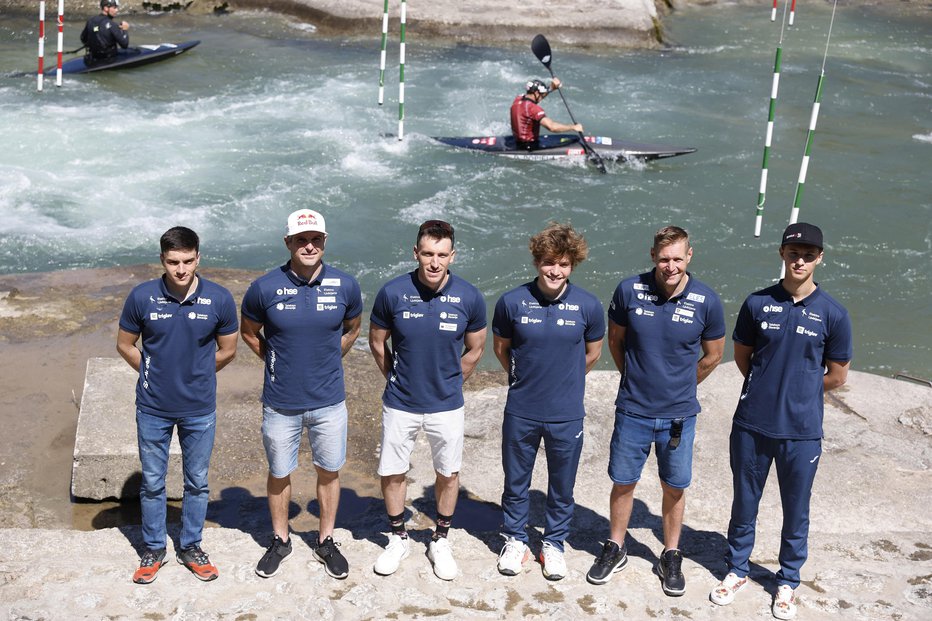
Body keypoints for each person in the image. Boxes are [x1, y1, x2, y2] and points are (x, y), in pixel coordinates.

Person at [709, 222, 852, 620]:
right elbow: (743, 356)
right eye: (793, 253)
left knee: (796, 508)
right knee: (744, 503)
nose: (800, 260)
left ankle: (788, 579)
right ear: (782, 254)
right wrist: (767, 387)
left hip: (802, 433)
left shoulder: (833, 314)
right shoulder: (758, 303)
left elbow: (837, 375)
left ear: (819, 257)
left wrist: (801, 392)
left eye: (808, 254)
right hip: (752, 425)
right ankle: (737, 568)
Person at [586, 225, 725, 596]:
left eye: (678, 258)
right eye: (664, 259)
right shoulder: (629, 290)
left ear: (689, 257)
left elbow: (714, 355)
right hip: (633, 408)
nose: (670, 266)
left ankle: (671, 552)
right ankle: (615, 547)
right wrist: (634, 377)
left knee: (675, 485)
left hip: (679, 414)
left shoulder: (706, 300)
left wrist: (683, 384)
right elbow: (615, 340)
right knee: (623, 480)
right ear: (653, 256)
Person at [240, 209, 363, 580]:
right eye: (300, 240)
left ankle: (325, 539)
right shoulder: (264, 287)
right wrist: (276, 361)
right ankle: (280, 539)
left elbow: (353, 327)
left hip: (329, 401)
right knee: (279, 472)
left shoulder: (345, 285)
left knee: (329, 471)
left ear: (324, 242)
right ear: (288, 243)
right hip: (281, 403)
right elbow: (249, 331)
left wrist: (328, 358)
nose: (308, 246)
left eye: (315, 239)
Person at [116, 226, 238, 584]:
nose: (181, 269)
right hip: (152, 406)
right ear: (162, 260)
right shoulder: (142, 297)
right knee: (153, 481)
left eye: (187, 261)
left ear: (198, 258)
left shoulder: (218, 298)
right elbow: (125, 344)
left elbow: (228, 349)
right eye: (173, 262)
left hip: (199, 408)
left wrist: (196, 372)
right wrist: (153, 370)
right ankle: (153, 548)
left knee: (197, 481)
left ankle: (191, 546)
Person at [368, 219, 487, 581]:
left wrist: (451, 381)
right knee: (392, 471)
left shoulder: (469, 296)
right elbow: (377, 342)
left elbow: (476, 347)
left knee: (447, 473)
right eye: (427, 254)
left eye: (442, 255)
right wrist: (396, 378)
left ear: (452, 255)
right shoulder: (393, 292)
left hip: (447, 404)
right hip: (400, 402)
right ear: (415, 253)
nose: (434, 263)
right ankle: (398, 537)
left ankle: (441, 538)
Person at [492, 223, 605, 580]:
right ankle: (515, 539)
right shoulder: (511, 301)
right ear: (537, 261)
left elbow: (593, 353)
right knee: (515, 481)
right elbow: (501, 348)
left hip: (566, 412)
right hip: (521, 408)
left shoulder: (588, 305)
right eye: (548, 262)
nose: (555, 270)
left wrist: (563, 380)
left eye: (563, 263)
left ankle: (554, 544)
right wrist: (526, 376)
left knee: (562, 485)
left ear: (574, 264)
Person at [510, 77, 583, 150]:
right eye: (541, 94)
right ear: (536, 93)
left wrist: (551, 88)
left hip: (518, 142)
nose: (542, 97)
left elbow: (534, 99)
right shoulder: (534, 109)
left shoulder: (518, 99)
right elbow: (552, 127)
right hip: (530, 146)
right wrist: (573, 127)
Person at [80, 0, 129, 66]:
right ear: (106, 8)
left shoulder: (91, 20)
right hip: (109, 59)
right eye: (114, 8)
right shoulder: (112, 25)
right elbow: (124, 45)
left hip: (93, 57)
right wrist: (125, 30)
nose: (117, 10)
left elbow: (83, 38)